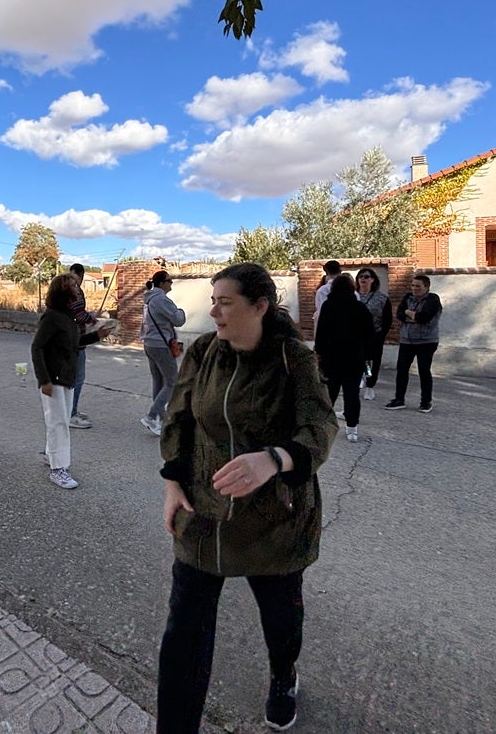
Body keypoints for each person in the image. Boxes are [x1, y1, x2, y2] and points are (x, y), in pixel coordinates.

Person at [157, 263, 339, 732]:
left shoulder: (291, 359)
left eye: (225, 302)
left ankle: (283, 676)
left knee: (281, 620)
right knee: (184, 634)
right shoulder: (202, 352)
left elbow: (320, 427)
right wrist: (173, 482)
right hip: (205, 512)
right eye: (213, 300)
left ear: (259, 307)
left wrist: (274, 459)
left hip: (274, 518)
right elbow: (179, 417)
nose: (214, 310)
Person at [31, 273, 107, 489]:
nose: (77, 287)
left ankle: (51, 455)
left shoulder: (68, 317)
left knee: (60, 420)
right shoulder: (52, 317)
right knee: (58, 423)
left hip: (67, 378)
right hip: (53, 379)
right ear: (62, 291)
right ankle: (58, 470)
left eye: (75, 284)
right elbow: (37, 347)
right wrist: (43, 379)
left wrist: (96, 336)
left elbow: (73, 343)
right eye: (72, 285)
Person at [315, 274, 374, 442]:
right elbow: (369, 334)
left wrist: (318, 353)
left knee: (329, 394)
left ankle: (324, 428)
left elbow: (321, 332)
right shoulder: (360, 308)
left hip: (331, 358)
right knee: (352, 394)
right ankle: (352, 429)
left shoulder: (328, 306)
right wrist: (367, 356)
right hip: (354, 358)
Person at [385, 274, 443, 413]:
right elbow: (399, 314)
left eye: (418, 286)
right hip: (407, 340)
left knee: (424, 370)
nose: (414, 288)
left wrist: (410, 314)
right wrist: (413, 315)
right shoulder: (407, 297)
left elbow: (424, 317)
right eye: (413, 285)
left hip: (426, 341)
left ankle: (426, 401)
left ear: (426, 287)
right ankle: (399, 399)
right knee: (402, 369)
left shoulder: (433, 300)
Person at [140, 270, 186, 437]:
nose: (171, 283)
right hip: (160, 345)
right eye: (169, 281)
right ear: (161, 283)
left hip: (150, 343)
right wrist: (180, 310)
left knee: (159, 380)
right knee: (173, 381)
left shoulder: (149, 299)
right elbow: (178, 319)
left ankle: (158, 418)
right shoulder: (160, 300)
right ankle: (152, 416)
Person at [354, 268, 393, 402]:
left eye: (366, 277)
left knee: (372, 361)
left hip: (374, 336)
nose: (363, 279)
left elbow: (387, 319)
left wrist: (381, 335)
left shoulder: (381, 298)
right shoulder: (353, 296)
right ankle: (359, 380)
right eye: (360, 277)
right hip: (356, 336)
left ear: (373, 280)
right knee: (360, 361)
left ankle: (370, 385)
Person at [66, 263, 96, 429]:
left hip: (67, 339)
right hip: (75, 341)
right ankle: (71, 414)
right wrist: (91, 317)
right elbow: (79, 315)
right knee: (77, 379)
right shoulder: (75, 291)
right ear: (81, 275)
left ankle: (71, 410)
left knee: (71, 378)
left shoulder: (63, 290)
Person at [312, 259, 342, 325]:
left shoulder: (321, 291)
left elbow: (320, 312)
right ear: (340, 271)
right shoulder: (352, 290)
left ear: (326, 272)